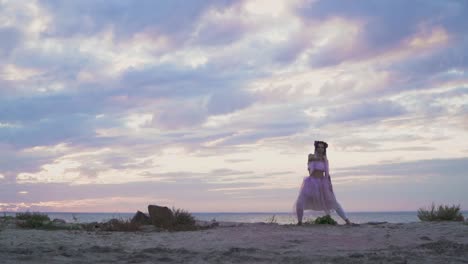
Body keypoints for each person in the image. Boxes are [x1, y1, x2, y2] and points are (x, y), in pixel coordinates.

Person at [295, 141, 352, 225]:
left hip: (322, 183)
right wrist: (323, 158)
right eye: (319, 147)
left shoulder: (325, 160)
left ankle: (347, 221)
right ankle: (299, 222)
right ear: (316, 148)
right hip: (310, 183)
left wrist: (330, 185)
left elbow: (327, 174)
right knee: (300, 202)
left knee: (334, 202)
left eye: (322, 148)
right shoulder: (311, 156)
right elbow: (312, 159)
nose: (321, 149)